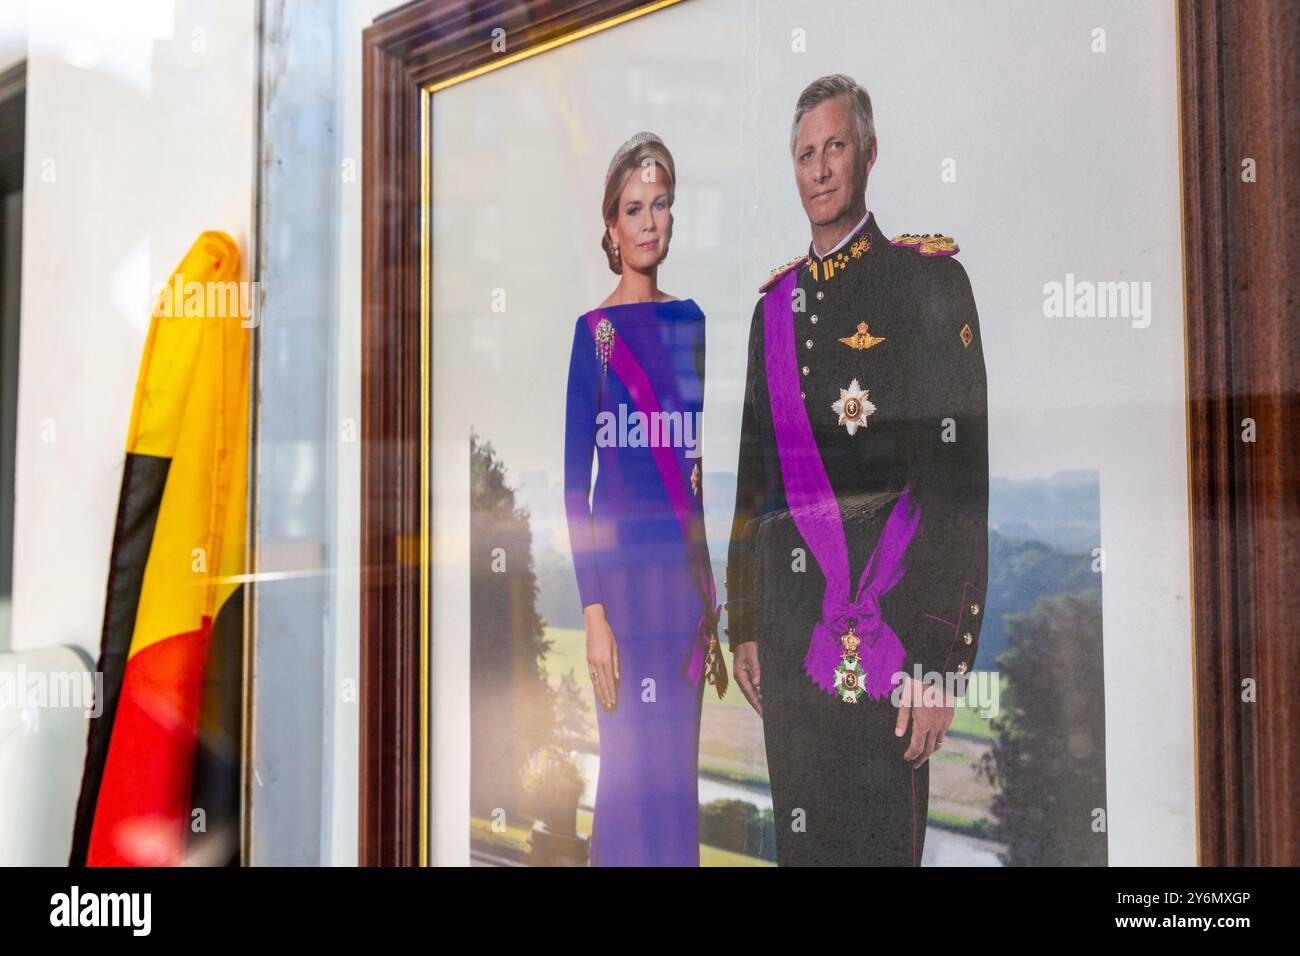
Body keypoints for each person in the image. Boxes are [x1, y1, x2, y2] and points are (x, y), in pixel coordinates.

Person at [725, 75, 989, 865]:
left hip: (895, 636)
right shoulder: (771, 312)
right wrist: (742, 622)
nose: (819, 169)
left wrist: (941, 664)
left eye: (834, 147)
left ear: (868, 154)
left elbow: (958, 486)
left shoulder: (928, 283)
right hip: (789, 636)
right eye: (804, 154)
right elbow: (752, 480)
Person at [564, 132, 726, 867]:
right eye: (635, 208)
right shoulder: (594, 336)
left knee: (674, 788)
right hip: (623, 602)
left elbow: (692, 472)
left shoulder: (690, 323)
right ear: (611, 226)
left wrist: (710, 600)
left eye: (661, 204)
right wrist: (593, 617)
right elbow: (576, 487)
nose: (650, 221)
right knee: (629, 781)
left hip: (681, 601)